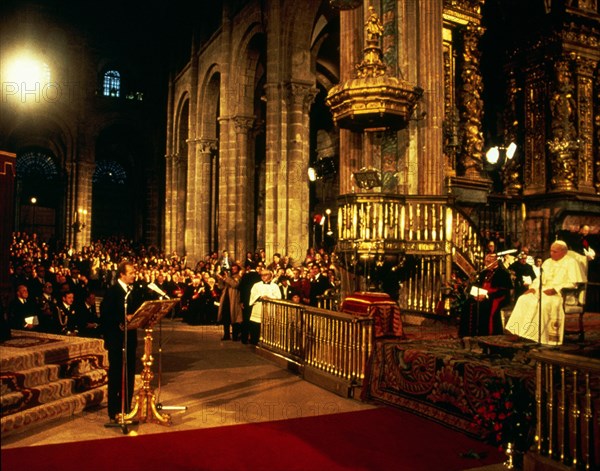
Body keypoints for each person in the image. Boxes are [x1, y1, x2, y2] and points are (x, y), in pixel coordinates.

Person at [505, 241, 583, 345]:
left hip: (561, 294)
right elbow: (540, 279)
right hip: (542, 290)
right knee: (523, 299)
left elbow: (574, 283)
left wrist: (556, 289)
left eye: (554, 251)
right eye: (550, 251)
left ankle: (539, 336)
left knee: (543, 304)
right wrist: (533, 288)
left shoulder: (571, 262)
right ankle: (519, 331)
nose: (551, 253)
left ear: (564, 252)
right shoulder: (547, 262)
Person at [100, 261, 145, 423]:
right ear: (122, 274)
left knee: (129, 374)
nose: (134, 275)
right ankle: (114, 412)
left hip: (130, 339)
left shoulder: (132, 291)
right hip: (116, 340)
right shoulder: (113, 292)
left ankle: (126, 409)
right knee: (117, 375)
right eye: (131, 272)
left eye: (134, 272)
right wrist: (122, 318)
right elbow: (105, 315)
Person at [459, 253, 513, 337]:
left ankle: (485, 334)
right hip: (481, 295)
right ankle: (469, 333)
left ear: (495, 262)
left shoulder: (503, 273)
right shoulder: (484, 273)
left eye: (488, 261)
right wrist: (475, 295)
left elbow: (503, 291)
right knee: (467, 303)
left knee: (485, 306)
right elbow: (478, 285)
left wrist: (487, 296)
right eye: (485, 261)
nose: (486, 264)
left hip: (496, 297)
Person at [248, 270, 281, 345]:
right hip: (258, 307)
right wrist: (260, 297)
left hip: (270, 308)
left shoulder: (275, 286)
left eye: (265, 275)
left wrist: (269, 297)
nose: (263, 276)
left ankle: (268, 342)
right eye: (262, 275)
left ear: (270, 276)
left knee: (269, 325)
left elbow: (278, 297)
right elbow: (253, 295)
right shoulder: (256, 285)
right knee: (256, 325)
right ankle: (255, 341)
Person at [216, 263, 243, 340]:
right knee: (225, 317)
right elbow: (221, 287)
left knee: (234, 318)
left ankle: (235, 335)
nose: (233, 270)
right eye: (232, 269)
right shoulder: (229, 277)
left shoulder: (238, 277)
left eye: (235, 269)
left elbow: (235, 285)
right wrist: (220, 278)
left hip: (234, 299)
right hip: (226, 299)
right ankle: (226, 334)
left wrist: (226, 278)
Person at [239, 261, 262, 344]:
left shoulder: (245, 276)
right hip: (255, 301)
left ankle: (244, 338)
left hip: (246, 300)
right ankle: (254, 338)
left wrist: (241, 301)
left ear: (248, 267)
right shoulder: (258, 276)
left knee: (245, 319)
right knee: (254, 320)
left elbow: (241, 289)